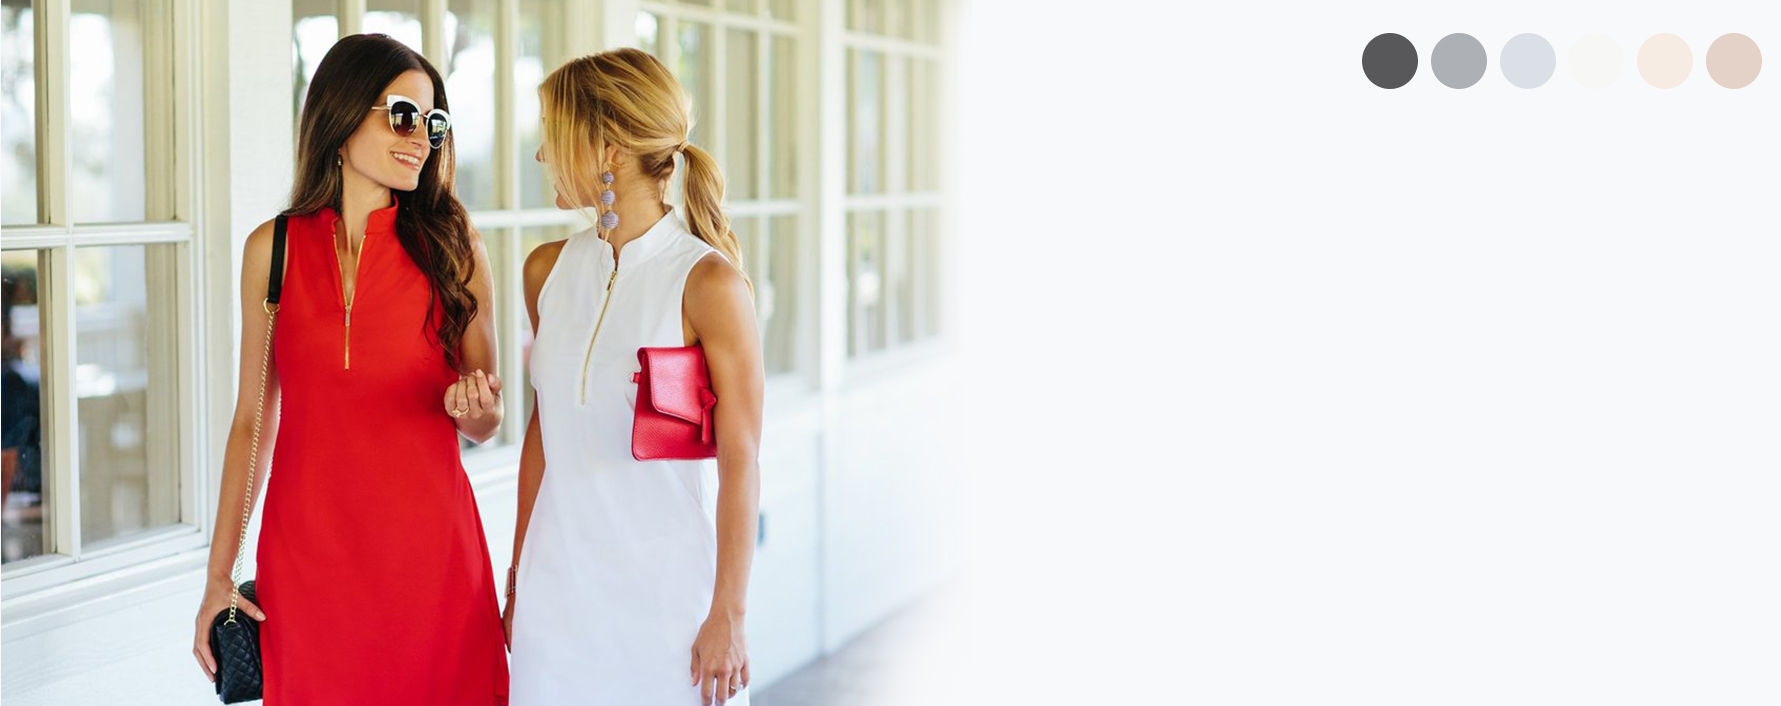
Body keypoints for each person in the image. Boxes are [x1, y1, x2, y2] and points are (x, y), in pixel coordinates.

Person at [190, 33, 509, 705]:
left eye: (434, 123)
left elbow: (488, 418)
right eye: (402, 115)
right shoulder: (271, 251)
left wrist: (475, 410)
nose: (421, 137)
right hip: (306, 570)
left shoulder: (455, 245)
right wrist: (219, 576)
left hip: (432, 565)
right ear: (340, 116)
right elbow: (253, 422)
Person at [505, 48, 766, 706]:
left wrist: (728, 615)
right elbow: (544, 432)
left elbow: (741, 458)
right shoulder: (546, 271)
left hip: (665, 608)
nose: (541, 155)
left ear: (606, 146)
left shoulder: (707, 283)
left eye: (552, 134)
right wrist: (516, 578)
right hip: (554, 601)